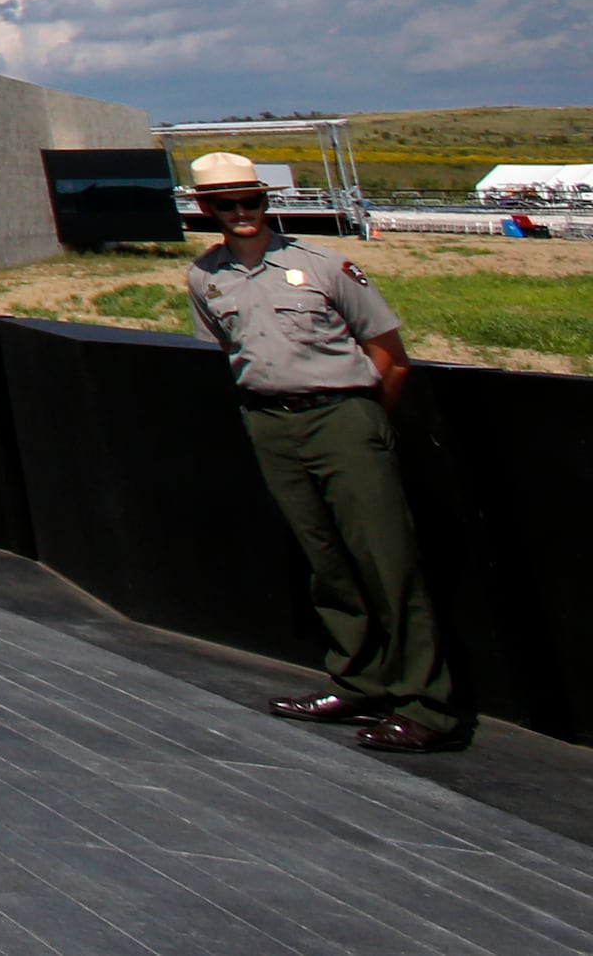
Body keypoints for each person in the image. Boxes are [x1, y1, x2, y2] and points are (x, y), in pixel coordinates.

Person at [183, 151, 465, 753]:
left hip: (342, 419)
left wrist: (363, 424)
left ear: (266, 202)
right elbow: (231, 350)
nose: (241, 213)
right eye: (226, 204)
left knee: (387, 561)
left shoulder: (325, 264)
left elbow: (390, 354)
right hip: (271, 424)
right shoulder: (205, 277)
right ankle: (360, 680)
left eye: (251, 201)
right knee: (327, 561)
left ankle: (426, 707)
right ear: (205, 209)